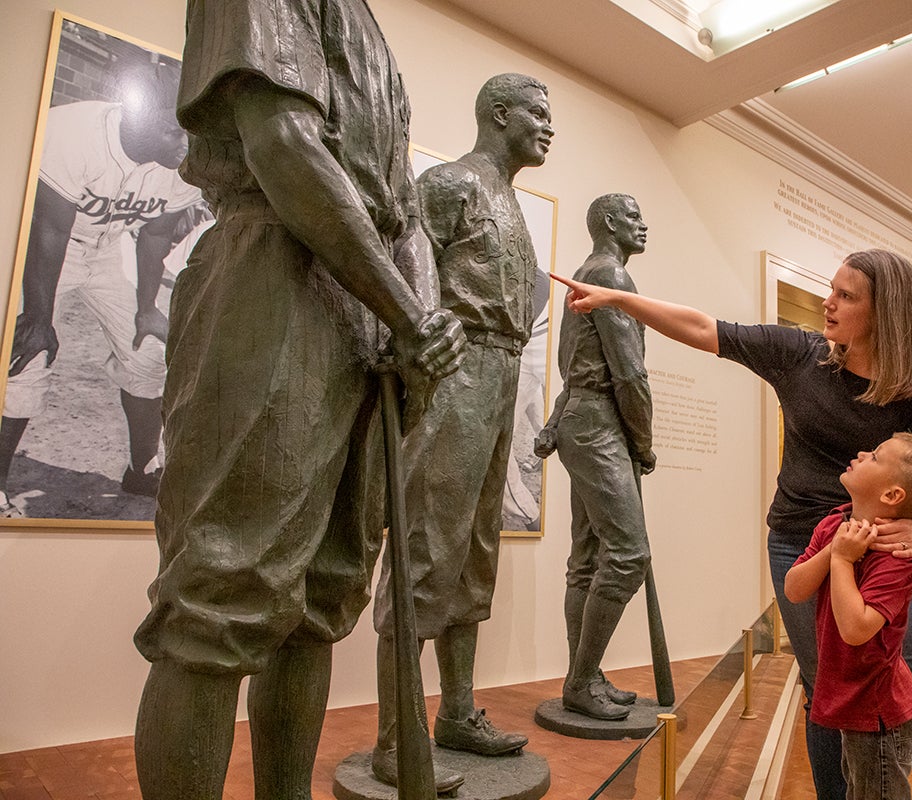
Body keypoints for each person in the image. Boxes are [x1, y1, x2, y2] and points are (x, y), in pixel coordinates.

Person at [131, 2, 466, 798]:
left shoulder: (372, 33)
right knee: (220, 599)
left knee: (319, 603)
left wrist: (415, 317)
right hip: (275, 273)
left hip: (367, 314)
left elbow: (404, 209)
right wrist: (409, 313)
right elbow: (281, 143)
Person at [552, 248, 912, 800]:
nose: (829, 302)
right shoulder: (801, 354)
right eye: (832, 289)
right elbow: (706, 329)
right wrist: (618, 300)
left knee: (911, 685)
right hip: (799, 543)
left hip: (877, 550)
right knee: (824, 687)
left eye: (846, 296)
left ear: (886, 312)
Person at [371, 72, 554, 783]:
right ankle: (394, 738)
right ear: (498, 114)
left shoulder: (506, 198)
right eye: (537, 113)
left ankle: (456, 712)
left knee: (475, 553)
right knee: (424, 548)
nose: (547, 125)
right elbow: (408, 280)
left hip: (500, 375)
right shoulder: (450, 185)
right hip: (455, 375)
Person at [0, 62, 206, 516]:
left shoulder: (180, 162)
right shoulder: (74, 131)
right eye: (174, 131)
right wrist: (38, 318)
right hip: (41, 243)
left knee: (147, 352)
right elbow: (48, 232)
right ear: (140, 121)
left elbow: (154, 234)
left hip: (110, 246)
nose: (185, 142)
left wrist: (147, 307)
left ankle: (141, 470)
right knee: (26, 352)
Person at [785, 433, 912, 800]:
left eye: (875, 457)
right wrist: (835, 549)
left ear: (892, 495)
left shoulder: (893, 556)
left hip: (879, 713)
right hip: (853, 702)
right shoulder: (835, 525)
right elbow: (795, 589)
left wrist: (843, 561)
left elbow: (856, 628)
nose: (862, 453)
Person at [536, 194, 653, 720]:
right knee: (628, 555)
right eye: (633, 216)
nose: (642, 225)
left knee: (586, 559)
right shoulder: (610, 277)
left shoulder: (589, 274)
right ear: (609, 223)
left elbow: (570, 363)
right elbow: (629, 372)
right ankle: (582, 679)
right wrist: (643, 441)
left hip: (581, 420)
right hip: (600, 422)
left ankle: (583, 676)